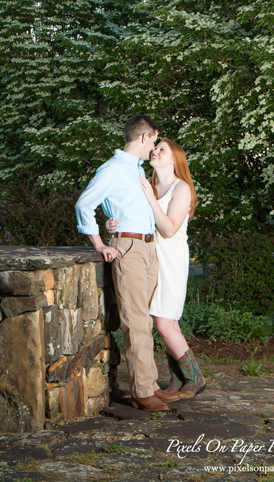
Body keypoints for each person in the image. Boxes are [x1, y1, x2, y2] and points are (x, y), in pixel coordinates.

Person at [75, 114, 180, 412]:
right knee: (135, 321)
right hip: (129, 247)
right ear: (144, 137)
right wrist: (99, 243)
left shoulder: (136, 170)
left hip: (148, 248)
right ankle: (142, 392)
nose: (154, 149)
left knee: (143, 320)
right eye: (154, 141)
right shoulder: (111, 170)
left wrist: (111, 221)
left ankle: (148, 385)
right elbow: (84, 204)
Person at [107, 138, 205, 399]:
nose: (155, 151)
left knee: (164, 322)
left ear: (174, 159)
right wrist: (113, 223)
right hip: (147, 256)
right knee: (158, 320)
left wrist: (150, 198)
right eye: (155, 147)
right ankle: (177, 378)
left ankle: (195, 377)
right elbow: (131, 215)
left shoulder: (180, 188)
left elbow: (170, 229)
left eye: (162, 149)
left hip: (170, 258)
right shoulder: (147, 184)